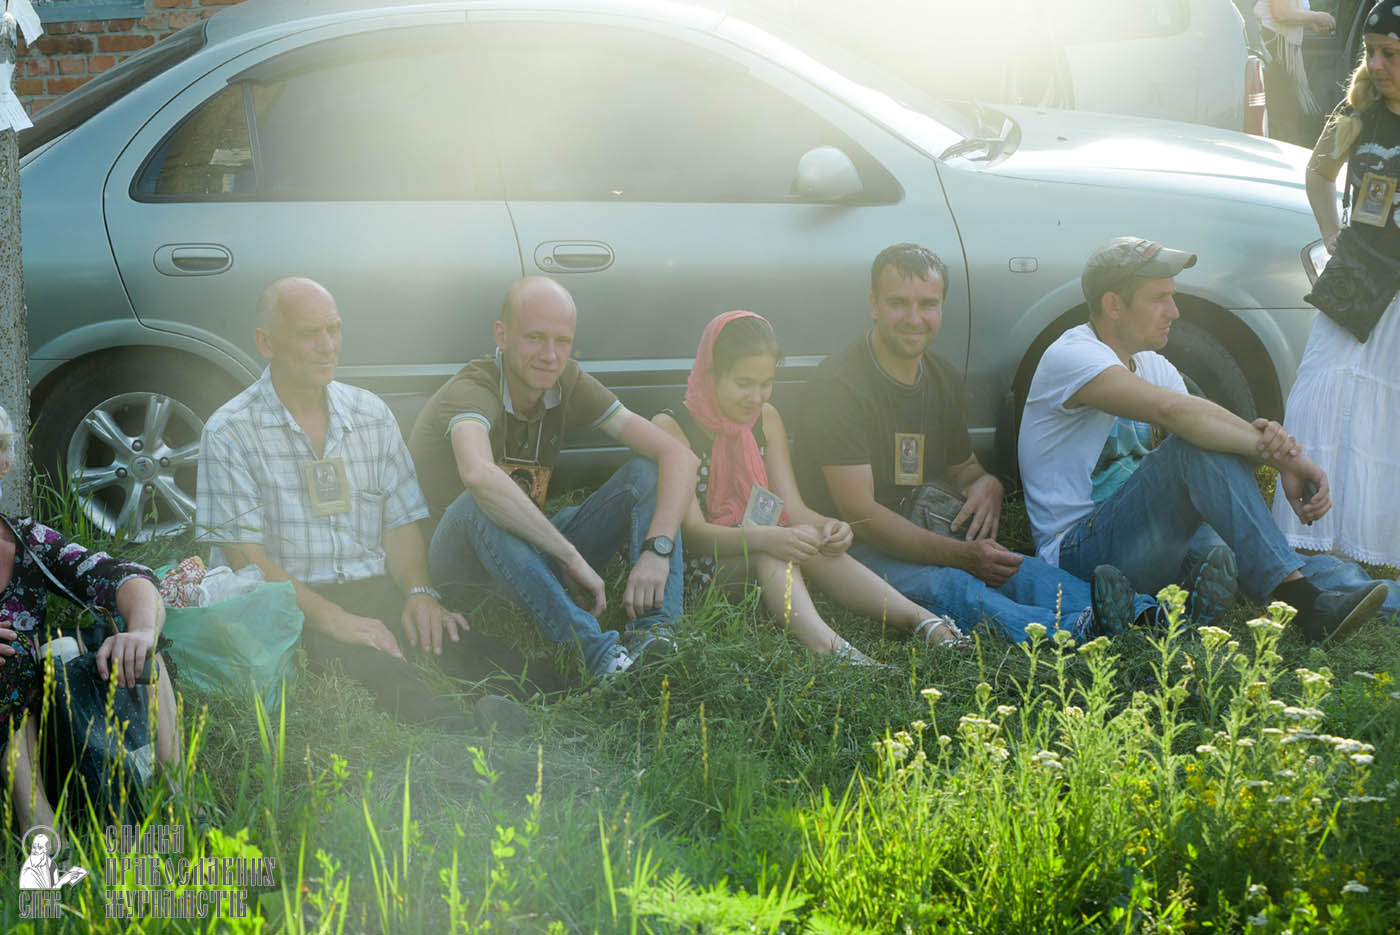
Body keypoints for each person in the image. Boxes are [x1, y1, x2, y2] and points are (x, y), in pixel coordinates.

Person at [197, 278, 555, 733]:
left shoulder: (370, 414)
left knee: (458, 641)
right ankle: (466, 741)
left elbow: (400, 523)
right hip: (289, 603)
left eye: (335, 329)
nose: (328, 346)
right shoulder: (229, 431)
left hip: (372, 585)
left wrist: (420, 594)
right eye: (310, 333)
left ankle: (570, 694)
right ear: (266, 342)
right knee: (380, 671)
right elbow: (246, 558)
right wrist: (341, 622)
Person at [1018, 236, 1388, 644]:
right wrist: (1281, 460)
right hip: (1080, 554)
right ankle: (1299, 601)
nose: (1174, 311)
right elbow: (1177, 416)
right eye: (1159, 298)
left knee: (1310, 565)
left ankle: (1323, 593)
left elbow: (1210, 427)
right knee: (1192, 450)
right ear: (1113, 304)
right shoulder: (1070, 357)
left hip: (1153, 541)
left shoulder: (1153, 366)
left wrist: (1272, 447)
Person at [797, 243, 1162, 645]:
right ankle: (1072, 631)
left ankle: (1144, 613)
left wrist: (987, 483)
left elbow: (963, 467)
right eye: (899, 303)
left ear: (942, 306)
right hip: (852, 547)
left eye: (928, 304)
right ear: (874, 304)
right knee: (950, 585)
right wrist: (961, 555)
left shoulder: (942, 377)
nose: (914, 318)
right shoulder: (840, 386)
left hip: (924, 524)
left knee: (1018, 568)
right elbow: (858, 512)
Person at [408, 277, 699, 678]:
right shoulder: (472, 389)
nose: (550, 355)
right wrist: (571, 556)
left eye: (562, 341)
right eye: (534, 338)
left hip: (527, 552)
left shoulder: (568, 381)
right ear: (502, 335)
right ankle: (602, 658)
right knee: (483, 499)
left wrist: (658, 549)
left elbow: (678, 456)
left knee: (644, 473)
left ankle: (656, 636)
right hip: (458, 571)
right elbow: (479, 474)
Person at [654, 311, 971, 663]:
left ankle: (923, 621)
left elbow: (793, 507)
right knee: (774, 549)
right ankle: (833, 650)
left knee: (812, 543)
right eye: (743, 383)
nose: (756, 397)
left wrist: (827, 527)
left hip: (761, 540)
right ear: (711, 374)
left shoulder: (766, 418)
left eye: (766, 383)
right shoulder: (673, 427)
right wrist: (770, 537)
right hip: (696, 563)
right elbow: (694, 533)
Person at [0, 406, 179, 832]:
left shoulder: (27, 541)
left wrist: (140, 632)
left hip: (31, 726)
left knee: (142, 650)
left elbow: (127, 577)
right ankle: (40, 833)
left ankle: (176, 802)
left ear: (3, 464)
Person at [1273, 8, 1400, 570]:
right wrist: (1332, 235)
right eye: (1371, 50)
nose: (1376, 64)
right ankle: (1314, 533)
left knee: (1385, 411)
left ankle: (1374, 541)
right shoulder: (1358, 110)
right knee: (1319, 398)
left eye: (1390, 53)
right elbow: (1318, 173)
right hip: (1353, 278)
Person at [1255, 0, 1335, 146]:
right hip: (1274, 53)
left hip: (1283, 53)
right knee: (1284, 122)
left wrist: (1311, 24)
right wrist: (1317, 17)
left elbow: (1291, 16)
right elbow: (1282, 13)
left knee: (1288, 120)